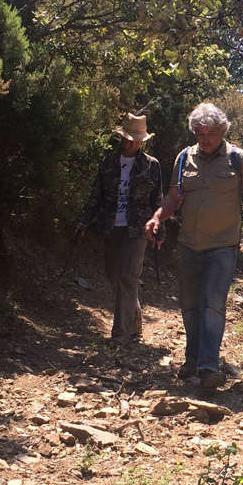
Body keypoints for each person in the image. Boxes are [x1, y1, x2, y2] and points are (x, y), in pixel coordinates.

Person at [145, 102, 243, 388]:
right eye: (199, 134)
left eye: (210, 134)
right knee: (190, 305)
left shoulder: (239, 159)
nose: (204, 139)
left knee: (213, 304)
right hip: (189, 244)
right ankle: (192, 359)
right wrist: (157, 218)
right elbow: (174, 197)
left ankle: (208, 366)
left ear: (222, 132)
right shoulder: (184, 158)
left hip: (223, 246)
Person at [75, 113, 163, 341]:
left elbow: (158, 200)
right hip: (111, 226)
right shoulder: (108, 162)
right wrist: (84, 220)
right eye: (126, 138)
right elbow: (97, 193)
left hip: (138, 229)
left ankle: (120, 334)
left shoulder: (151, 165)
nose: (129, 143)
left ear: (141, 142)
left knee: (128, 277)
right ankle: (134, 323)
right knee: (113, 275)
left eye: (134, 139)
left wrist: (159, 229)